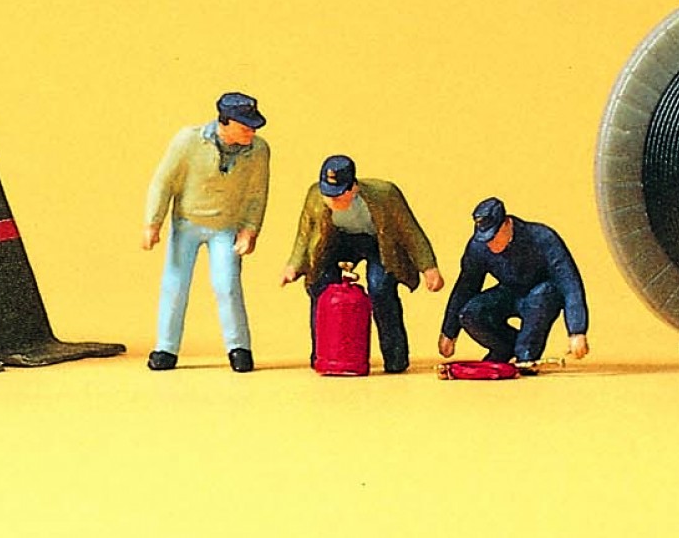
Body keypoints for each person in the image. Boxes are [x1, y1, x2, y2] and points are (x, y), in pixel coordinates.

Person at [279, 154, 443, 374]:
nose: (332, 201)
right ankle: (323, 354)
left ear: (353, 188)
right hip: (337, 241)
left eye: (338, 195)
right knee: (320, 286)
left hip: (378, 243)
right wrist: (293, 265)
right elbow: (305, 233)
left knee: (381, 288)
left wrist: (429, 268)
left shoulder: (384, 195)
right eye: (328, 194)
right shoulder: (315, 196)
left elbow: (410, 232)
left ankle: (395, 356)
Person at [142, 91, 270, 372]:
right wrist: (153, 222)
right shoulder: (188, 141)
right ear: (225, 122)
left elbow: (257, 194)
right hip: (186, 224)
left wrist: (250, 230)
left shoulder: (258, 150)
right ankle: (166, 348)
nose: (252, 132)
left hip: (225, 227)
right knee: (175, 285)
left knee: (228, 285)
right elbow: (163, 182)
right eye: (245, 126)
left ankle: (239, 347)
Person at [439, 198, 591, 370]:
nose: (490, 244)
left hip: (542, 295)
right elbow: (465, 287)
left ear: (507, 224)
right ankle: (504, 347)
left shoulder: (542, 237)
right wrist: (449, 332)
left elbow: (570, 284)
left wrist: (576, 330)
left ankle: (525, 353)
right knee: (470, 313)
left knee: (541, 297)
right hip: (509, 292)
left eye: (493, 236)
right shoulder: (479, 247)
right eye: (485, 238)